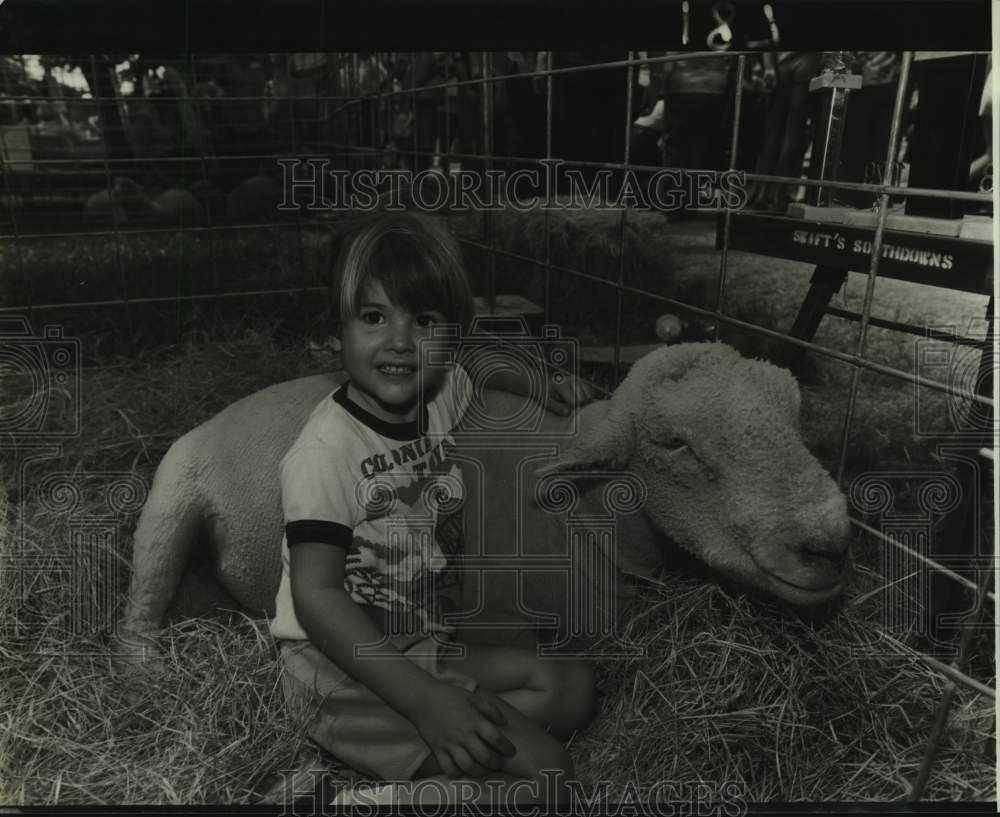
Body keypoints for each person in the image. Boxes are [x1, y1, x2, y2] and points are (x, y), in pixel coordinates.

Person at [269, 211, 598, 807]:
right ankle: (355, 804)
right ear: (335, 331)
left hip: (415, 639)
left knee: (571, 686)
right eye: (373, 317)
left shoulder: (440, 391)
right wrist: (425, 699)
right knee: (551, 781)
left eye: (423, 320)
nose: (398, 341)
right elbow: (317, 597)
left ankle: (434, 748)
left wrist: (540, 383)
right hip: (339, 669)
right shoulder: (325, 453)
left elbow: (480, 366)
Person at [747, 52, 821, 212]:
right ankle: (780, 195)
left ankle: (762, 193)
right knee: (794, 131)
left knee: (773, 132)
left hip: (778, 62)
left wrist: (768, 66)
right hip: (807, 60)